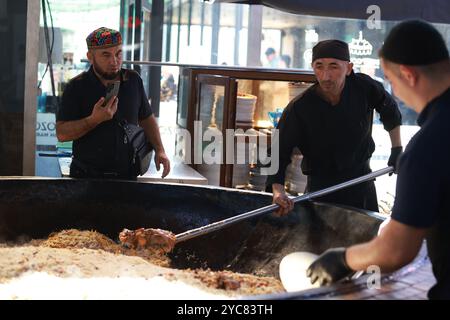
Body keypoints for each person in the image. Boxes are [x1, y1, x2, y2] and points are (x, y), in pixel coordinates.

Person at [306, 20, 450, 300]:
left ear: (407, 75)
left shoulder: (428, 147)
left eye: (392, 80)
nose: (394, 91)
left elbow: (396, 250)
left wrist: (343, 259)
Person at [267, 39, 403, 214]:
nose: (326, 76)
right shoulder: (300, 107)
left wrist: (397, 149)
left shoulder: (364, 88)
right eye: (319, 66)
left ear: (348, 68)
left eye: (333, 66)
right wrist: (278, 191)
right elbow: (278, 150)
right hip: (321, 190)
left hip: (361, 184)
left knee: (364, 239)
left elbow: (389, 110)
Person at [56, 27, 170, 180]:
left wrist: (160, 150)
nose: (114, 61)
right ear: (90, 56)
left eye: (118, 54)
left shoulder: (133, 80)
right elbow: (62, 133)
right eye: (106, 55)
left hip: (127, 176)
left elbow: (146, 118)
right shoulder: (76, 87)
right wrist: (93, 120)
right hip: (86, 178)